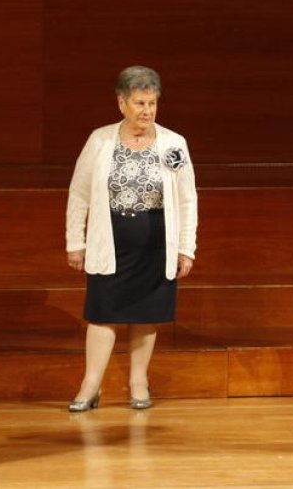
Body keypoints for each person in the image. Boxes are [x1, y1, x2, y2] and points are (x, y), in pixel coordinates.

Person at [66, 66, 197, 411]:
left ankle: (138, 382)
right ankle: (90, 385)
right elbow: (79, 193)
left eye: (152, 103)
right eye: (140, 103)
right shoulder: (100, 140)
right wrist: (75, 241)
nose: (147, 111)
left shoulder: (173, 143)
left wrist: (186, 248)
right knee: (103, 311)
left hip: (156, 245)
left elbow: (187, 200)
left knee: (146, 314)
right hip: (109, 241)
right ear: (121, 102)